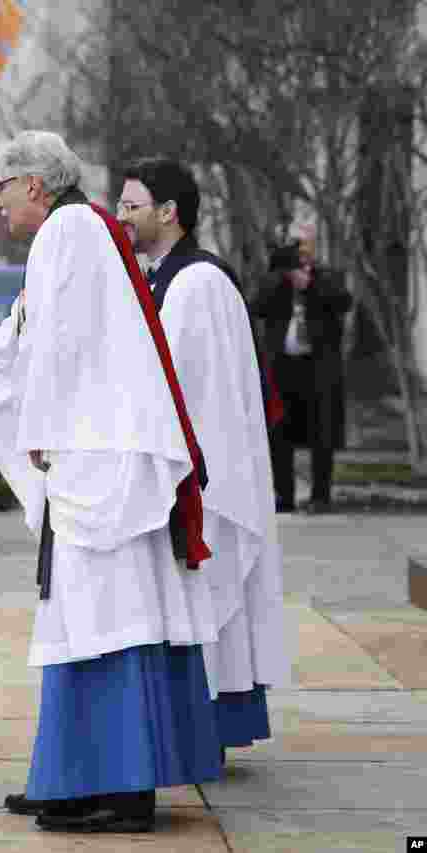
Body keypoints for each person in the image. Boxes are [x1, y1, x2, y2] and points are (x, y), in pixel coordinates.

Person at [0, 131, 221, 833]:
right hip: (100, 457)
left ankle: (121, 790)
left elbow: (53, 351)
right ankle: (73, 776)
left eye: (1, 186)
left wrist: (36, 428)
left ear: (34, 183)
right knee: (87, 620)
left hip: (100, 464)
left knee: (105, 621)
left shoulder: (67, 232)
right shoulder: (75, 231)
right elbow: (21, 340)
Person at [116, 157, 288, 764]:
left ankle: (203, 729)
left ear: (169, 213)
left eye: (132, 204)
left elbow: (192, 391)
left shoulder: (198, 283)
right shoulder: (163, 277)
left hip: (207, 479)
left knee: (209, 604)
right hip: (187, 473)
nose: (122, 216)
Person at [252, 237, 352, 513]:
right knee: (280, 432)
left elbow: (344, 301)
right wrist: (281, 279)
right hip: (284, 367)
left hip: (318, 368)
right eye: (297, 251)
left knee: (323, 434)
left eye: (307, 250)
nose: (302, 256)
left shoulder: (327, 277)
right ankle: (284, 495)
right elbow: (257, 306)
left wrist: (310, 286)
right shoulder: (276, 279)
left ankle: (321, 496)